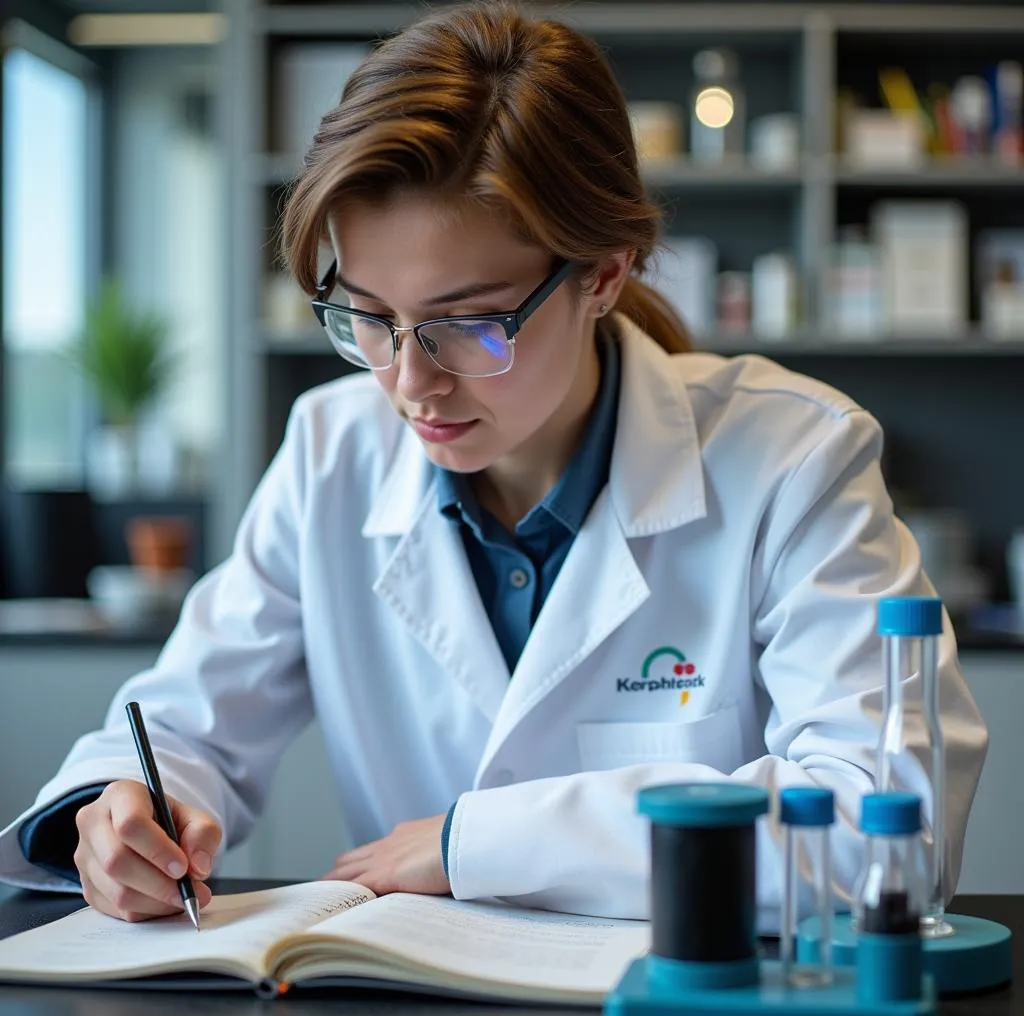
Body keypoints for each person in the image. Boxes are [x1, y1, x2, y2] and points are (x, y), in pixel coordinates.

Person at [0, 1, 987, 927]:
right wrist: (124, 810)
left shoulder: (789, 456)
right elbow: (189, 723)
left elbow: (886, 825)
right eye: (370, 319)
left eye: (469, 323)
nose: (409, 384)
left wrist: (484, 842)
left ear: (603, 272)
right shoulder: (331, 450)